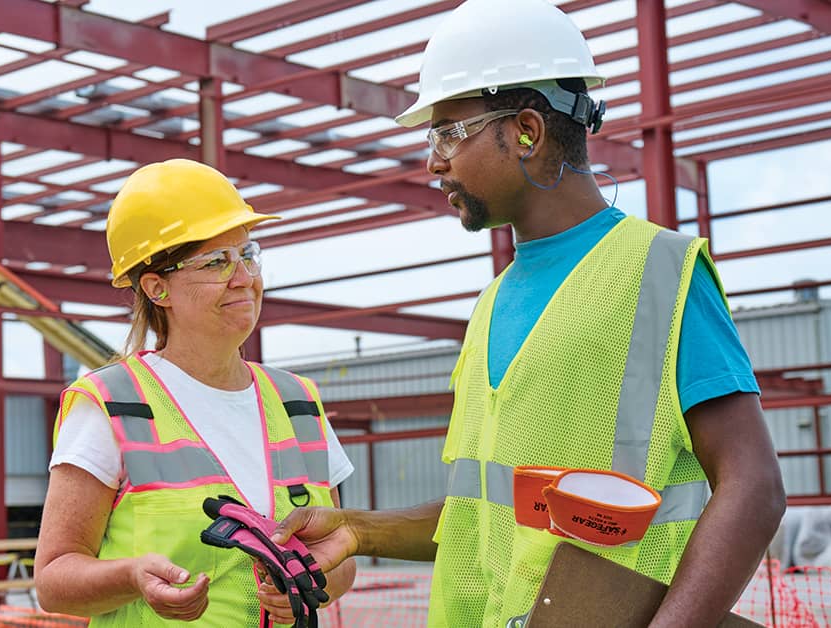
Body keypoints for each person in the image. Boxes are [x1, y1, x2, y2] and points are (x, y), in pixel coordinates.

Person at [271, 0, 786, 626]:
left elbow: (753, 487)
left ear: (526, 132)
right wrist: (356, 529)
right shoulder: (491, 304)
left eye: (448, 132)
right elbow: (486, 513)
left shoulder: (661, 272)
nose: (434, 161)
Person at [34, 159, 357, 625]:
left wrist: (311, 583)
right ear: (157, 288)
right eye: (216, 262)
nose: (244, 277)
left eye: (247, 254)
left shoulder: (298, 402)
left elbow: (341, 556)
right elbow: (52, 579)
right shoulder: (112, 404)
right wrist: (130, 577)